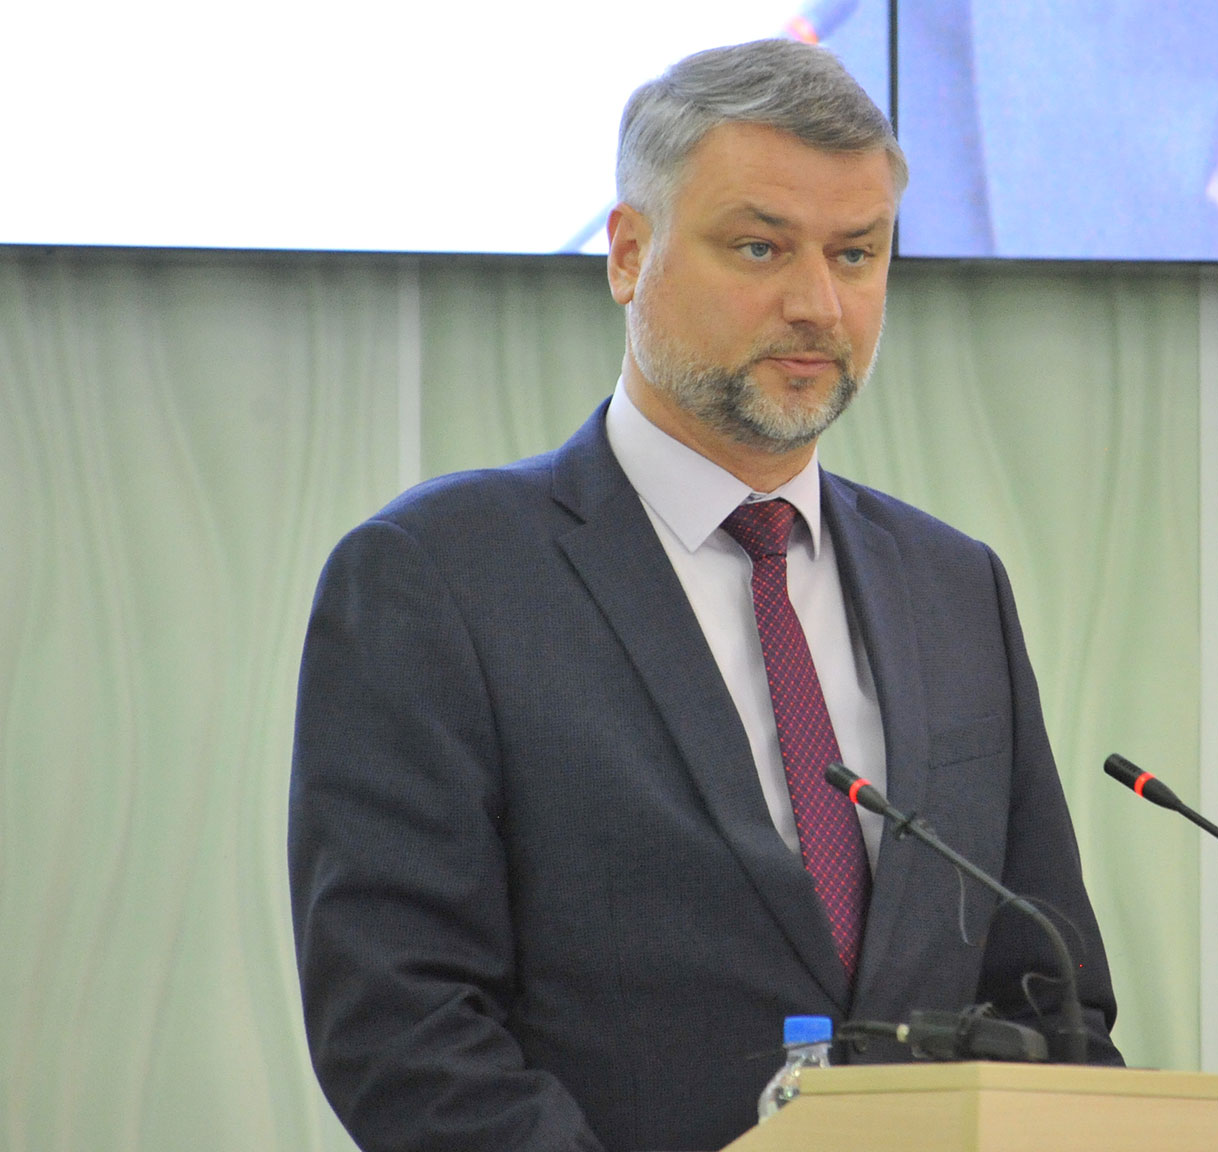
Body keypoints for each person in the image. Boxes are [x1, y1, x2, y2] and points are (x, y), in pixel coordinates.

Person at [288, 38, 1120, 1152]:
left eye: (857, 254)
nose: (818, 304)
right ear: (629, 254)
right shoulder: (437, 577)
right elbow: (403, 1029)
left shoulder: (953, 585)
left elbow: (1054, 1005)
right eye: (760, 247)